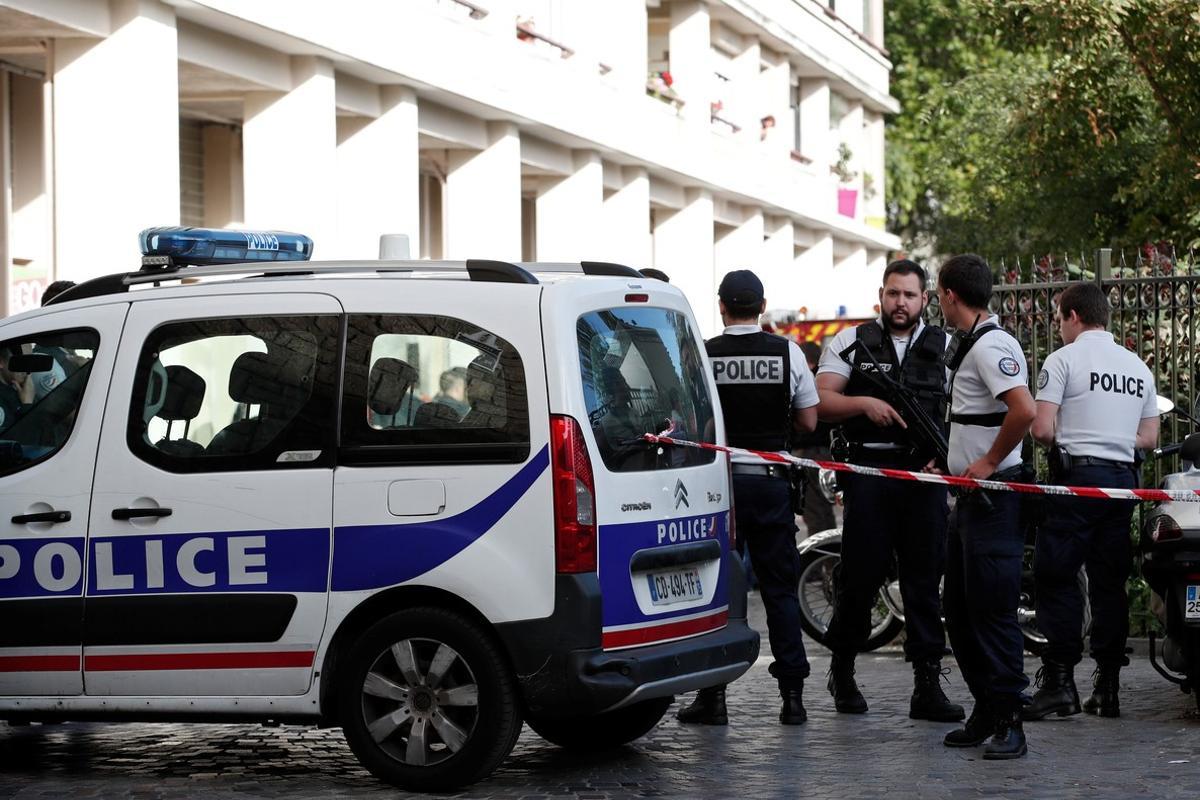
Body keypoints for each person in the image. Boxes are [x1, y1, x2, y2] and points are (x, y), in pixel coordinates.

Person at [815, 259, 963, 722]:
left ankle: (926, 685)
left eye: (910, 295)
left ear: (925, 300)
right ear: (881, 295)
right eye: (893, 294)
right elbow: (820, 401)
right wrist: (864, 403)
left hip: (923, 475)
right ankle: (843, 668)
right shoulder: (852, 342)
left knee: (923, 581)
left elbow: (966, 409)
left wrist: (950, 454)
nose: (901, 303)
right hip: (870, 472)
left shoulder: (948, 347)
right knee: (860, 578)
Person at [675, 269, 818, 726]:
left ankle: (712, 696)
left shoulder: (701, 354)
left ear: (721, 306)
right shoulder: (787, 352)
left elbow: (689, 420)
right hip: (772, 482)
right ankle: (792, 696)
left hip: (718, 488)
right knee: (780, 590)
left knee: (717, 591)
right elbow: (810, 422)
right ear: (761, 306)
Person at [1023, 282, 1158, 720]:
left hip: (1076, 481)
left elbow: (1041, 430)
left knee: (1058, 576)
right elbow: (1150, 438)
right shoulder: (1138, 366)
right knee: (1109, 584)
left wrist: (1074, 438)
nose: (1059, 327)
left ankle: (1060, 683)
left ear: (1073, 316)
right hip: (1122, 485)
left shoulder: (1063, 359)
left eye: (1059, 318)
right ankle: (1108, 688)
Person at [936, 253, 1036, 760]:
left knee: (993, 613)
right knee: (959, 609)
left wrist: (989, 463)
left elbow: (1025, 411)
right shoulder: (970, 343)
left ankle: (1011, 721)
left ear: (950, 294)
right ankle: (986, 709)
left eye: (938, 293)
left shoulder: (994, 344)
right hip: (970, 502)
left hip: (994, 499)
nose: (939, 301)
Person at [794, 341, 836, 536]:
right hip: (828, 455)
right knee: (826, 511)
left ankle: (820, 563)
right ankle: (830, 559)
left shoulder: (807, 380)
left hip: (809, 455)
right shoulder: (831, 381)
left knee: (815, 514)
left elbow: (804, 422)